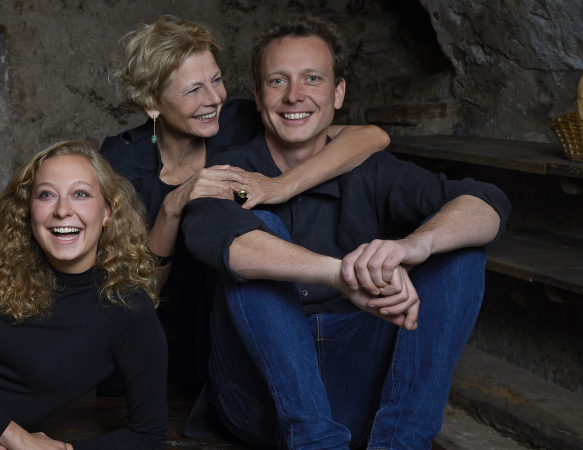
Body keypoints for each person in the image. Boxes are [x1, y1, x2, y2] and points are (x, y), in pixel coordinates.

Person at [180, 14, 510, 449]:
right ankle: (316, 442)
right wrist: (346, 275)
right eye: (278, 81)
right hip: (259, 398)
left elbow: (486, 202)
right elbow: (231, 244)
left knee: (460, 248)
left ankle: (400, 443)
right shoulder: (232, 174)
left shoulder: (371, 169)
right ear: (258, 97)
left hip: (357, 387)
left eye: (312, 78)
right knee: (260, 233)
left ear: (338, 93)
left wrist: (414, 246)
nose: (294, 95)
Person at [100, 15, 391, 400]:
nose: (213, 99)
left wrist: (281, 186)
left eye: (216, 80)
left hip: (230, 343)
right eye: (194, 90)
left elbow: (371, 136)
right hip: (153, 359)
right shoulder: (120, 167)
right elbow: (137, 298)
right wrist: (172, 208)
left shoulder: (239, 123)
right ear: (152, 104)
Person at [0, 141, 168, 450]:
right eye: (46, 195)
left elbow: (149, 437)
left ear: (107, 211)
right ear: (29, 208)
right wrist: (14, 437)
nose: (62, 210)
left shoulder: (129, 310)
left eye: (80, 194)